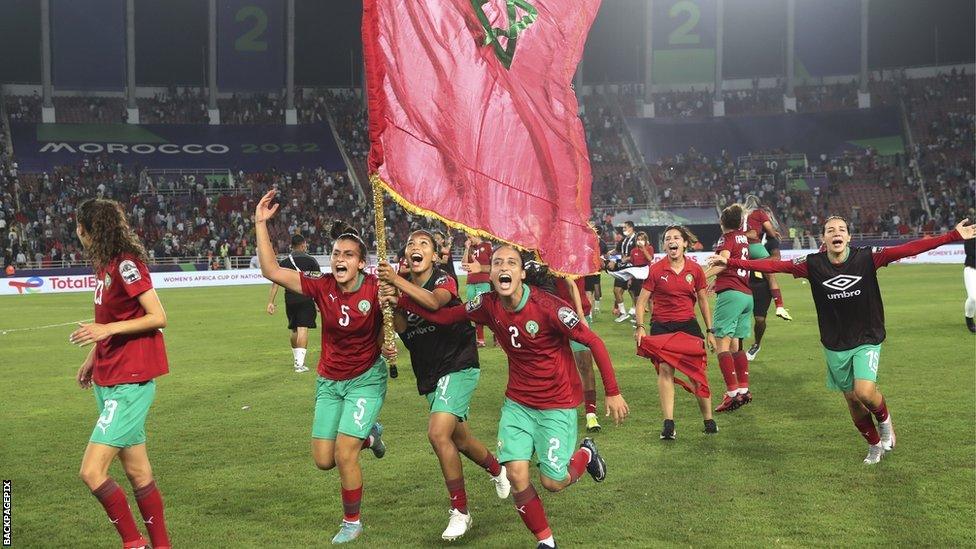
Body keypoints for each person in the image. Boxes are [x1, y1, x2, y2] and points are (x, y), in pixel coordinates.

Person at [391, 244, 628, 549]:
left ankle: (586, 454)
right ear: (490, 274)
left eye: (511, 263)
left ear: (521, 273)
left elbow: (593, 341)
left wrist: (613, 391)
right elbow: (448, 317)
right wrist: (401, 300)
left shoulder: (549, 307)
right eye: (497, 263)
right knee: (517, 475)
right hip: (517, 404)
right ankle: (546, 541)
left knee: (553, 482)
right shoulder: (487, 304)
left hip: (556, 404)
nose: (504, 267)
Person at [709, 216, 976, 464]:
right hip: (835, 342)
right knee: (852, 401)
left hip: (867, 336)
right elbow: (773, 265)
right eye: (830, 230)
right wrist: (731, 263)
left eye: (841, 230)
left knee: (864, 392)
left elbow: (910, 248)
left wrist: (953, 234)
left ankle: (885, 423)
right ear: (823, 238)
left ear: (849, 237)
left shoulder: (868, 258)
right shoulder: (811, 264)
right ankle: (873, 444)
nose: (836, 233)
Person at [253, 190, 388, 543]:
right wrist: (260, 223)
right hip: (329, 380)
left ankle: (352, 522)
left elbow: (400, 321)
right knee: (323, 460)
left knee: (344, 454)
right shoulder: (322, 286)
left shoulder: (376, 289)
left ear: (361, 263)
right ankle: (370, 434)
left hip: (365, 380)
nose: (339, 259)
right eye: (336, 254)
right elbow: (270, 270)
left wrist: (391, 339)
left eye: (348, 255)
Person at [376, 230, 511, 541]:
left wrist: (398, 286)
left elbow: (435, 305)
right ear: (406, 254)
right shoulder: (399, 282)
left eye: (424, 244)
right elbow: (401, 326)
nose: (416, 247)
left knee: (437, 434)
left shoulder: (443, 279)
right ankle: (497, 469)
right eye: (411, 243)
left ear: (435, 256)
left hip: (459, 361)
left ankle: (461, 512)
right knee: (459, 440)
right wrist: (391, 309)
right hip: (429, 370)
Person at [69, 198, 172, 549]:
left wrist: (106, 331)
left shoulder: (127, 264)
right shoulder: (105, 264)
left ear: (88, 228)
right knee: (138, 472)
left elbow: (158, 316)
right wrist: (92, 359)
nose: (77, 232)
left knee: (91, 471)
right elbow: (107, 321)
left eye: (78, 226)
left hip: (130, 381)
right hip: (109, 376)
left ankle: (134, 543)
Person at [635, 226, 717, 440]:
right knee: (665, 370)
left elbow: (702, 300)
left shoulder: (695, 269)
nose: (672, 241)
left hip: (688, 325)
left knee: (697, 372)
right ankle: (668, 424)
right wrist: (641, 327)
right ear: (665, 245)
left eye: (676, 238)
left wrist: (709, 330)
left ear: (684, 243)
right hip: (661, 326)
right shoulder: (656, 269)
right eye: (668, 238)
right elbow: (642, 301)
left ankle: (709, 420)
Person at [704, 205, 754, 413]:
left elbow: (723, 262)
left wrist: (702, 276)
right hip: (746, 295)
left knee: (721, 344)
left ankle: (732, 395)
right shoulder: (743, 238)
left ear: (722, 222)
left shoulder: (727, 238)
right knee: (736, 346)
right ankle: (743, 390)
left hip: (731, 295)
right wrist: (717, 281)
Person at [267, 234, 320, 373]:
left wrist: (270, 302)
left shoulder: (284, 262)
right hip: (305, 297)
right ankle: (300, 364)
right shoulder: (311, 260)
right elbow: (318, 283)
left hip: (289, 299)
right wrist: (318, 302)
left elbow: (275, 283)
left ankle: (297, 359)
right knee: (303, 328)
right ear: (303, 245)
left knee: (294, 329)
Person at [743, 195, 792, 321]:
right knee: (770, 275)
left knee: (736, 273)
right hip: (754, 245)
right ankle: (779, 306)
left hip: (740, 245)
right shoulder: (760, 213)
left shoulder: (740, 213)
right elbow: (770, 231)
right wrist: (773, 233)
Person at [461, 233, 494, 346]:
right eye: (467, 238)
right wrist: (466, 248)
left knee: (487, 310)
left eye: (469, 237)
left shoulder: (487, 246)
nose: (468, 240)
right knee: (474, 309)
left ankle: (498, 338)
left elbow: (493, 265)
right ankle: (480, 340)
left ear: (476, 234)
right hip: (470, 282)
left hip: (483, 281)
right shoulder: (470, 249)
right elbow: (464, 265)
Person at [609, 221, 638, 322]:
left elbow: (638, 254)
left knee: (633, 291)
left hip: (633, 269)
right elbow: (616, 250)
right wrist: (609, 253)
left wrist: (627, 258)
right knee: (617, 290)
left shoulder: (636, 239)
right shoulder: (624, 240)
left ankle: (636, 311)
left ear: (631, 228)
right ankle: (623, 313)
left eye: (625, 227)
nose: (623, 229)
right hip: (622, 268)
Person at [745, 267, 773, 360]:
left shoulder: (764, 253)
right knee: (737, 318)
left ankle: (756, 344)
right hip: (742, 285)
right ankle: (736, 348)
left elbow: (776, 257)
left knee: (760, 319)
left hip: (762, 287)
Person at [584, 226, 609, 315]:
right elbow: (606, 256)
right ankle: (597, 308)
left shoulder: (589, 241)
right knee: (596, 287)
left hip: (589, 268)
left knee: (588, 290)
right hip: (597, 268)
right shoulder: (603, 243)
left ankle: (589, 312)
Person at [964, 237, 975, 333]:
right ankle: (969, 319)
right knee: (973, 297)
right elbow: (969, 251)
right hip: (972, 269)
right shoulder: (970, 234)